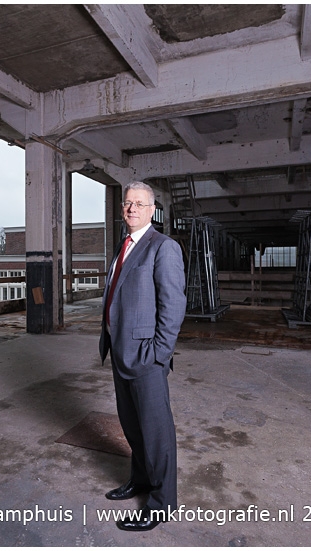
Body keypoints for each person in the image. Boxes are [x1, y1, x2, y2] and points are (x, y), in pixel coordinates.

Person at [99, 181, 187, 532]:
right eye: (127, 203)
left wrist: (158, 354)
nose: (131, 208)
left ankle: (162, 503)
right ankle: (140, 479)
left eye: (139, 203)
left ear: (152, 210)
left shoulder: (163, 247)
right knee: (133, 426)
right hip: (120, 351)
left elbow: (173, 305)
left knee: (156, 433)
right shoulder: (123, 246)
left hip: (146, 357)